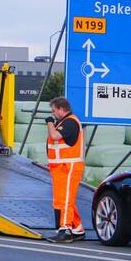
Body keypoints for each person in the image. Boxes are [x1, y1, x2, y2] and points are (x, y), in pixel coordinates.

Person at [44, 96, 85, 243]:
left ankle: (65, 229)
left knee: (65, 199)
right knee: (64, 199)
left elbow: (54, 136)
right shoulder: (64, 122)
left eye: (54, 111)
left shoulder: (70, 122)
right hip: (61, 167)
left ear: (62, 110)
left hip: (69, 167)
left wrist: (49, 122)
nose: (53, 114)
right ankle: (77, 228)